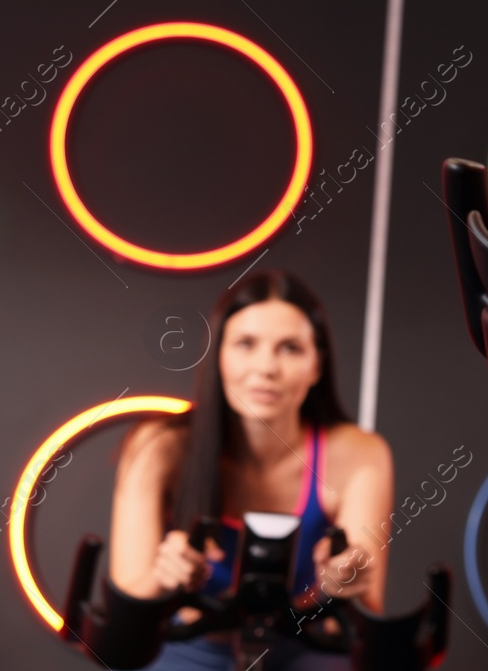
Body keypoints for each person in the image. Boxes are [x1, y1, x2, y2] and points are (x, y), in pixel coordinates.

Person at [108, 270, 394, 670]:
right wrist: (165, 575)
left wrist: (343, 582)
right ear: (218, 356)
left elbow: (368, 607)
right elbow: (127, 618)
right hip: (189, 649)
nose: (265, 367)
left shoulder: (359, 453)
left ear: (317, 366)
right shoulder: (158, 447)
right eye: (245, 344)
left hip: (305, 650)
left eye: (290, 348)